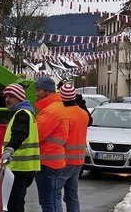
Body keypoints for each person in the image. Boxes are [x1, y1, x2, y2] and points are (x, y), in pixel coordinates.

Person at [0, 83, 40, 212]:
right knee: (17, 203)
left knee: (14, 205)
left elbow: (19, 134)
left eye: (11, 96)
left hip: (19, 169)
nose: (7, 99)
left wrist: (9, 149)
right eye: (6, 96)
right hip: (23, 168)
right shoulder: (25, 113)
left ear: (19, 98)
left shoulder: (22, 114)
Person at [34, 76, 69, 212]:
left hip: (46, 162)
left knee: (47, 202)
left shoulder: (50, 110)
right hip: (54, 160)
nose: (36, 93)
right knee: (53, 199)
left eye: (38, 90)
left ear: (48, 92)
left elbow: (37, 134)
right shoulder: (57, 107)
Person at [55, 83, 89, 212]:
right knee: (71, 195)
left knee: (55, 193)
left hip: (64, 159)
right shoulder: (83, 114)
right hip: (79, 160)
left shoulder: (63, 114)